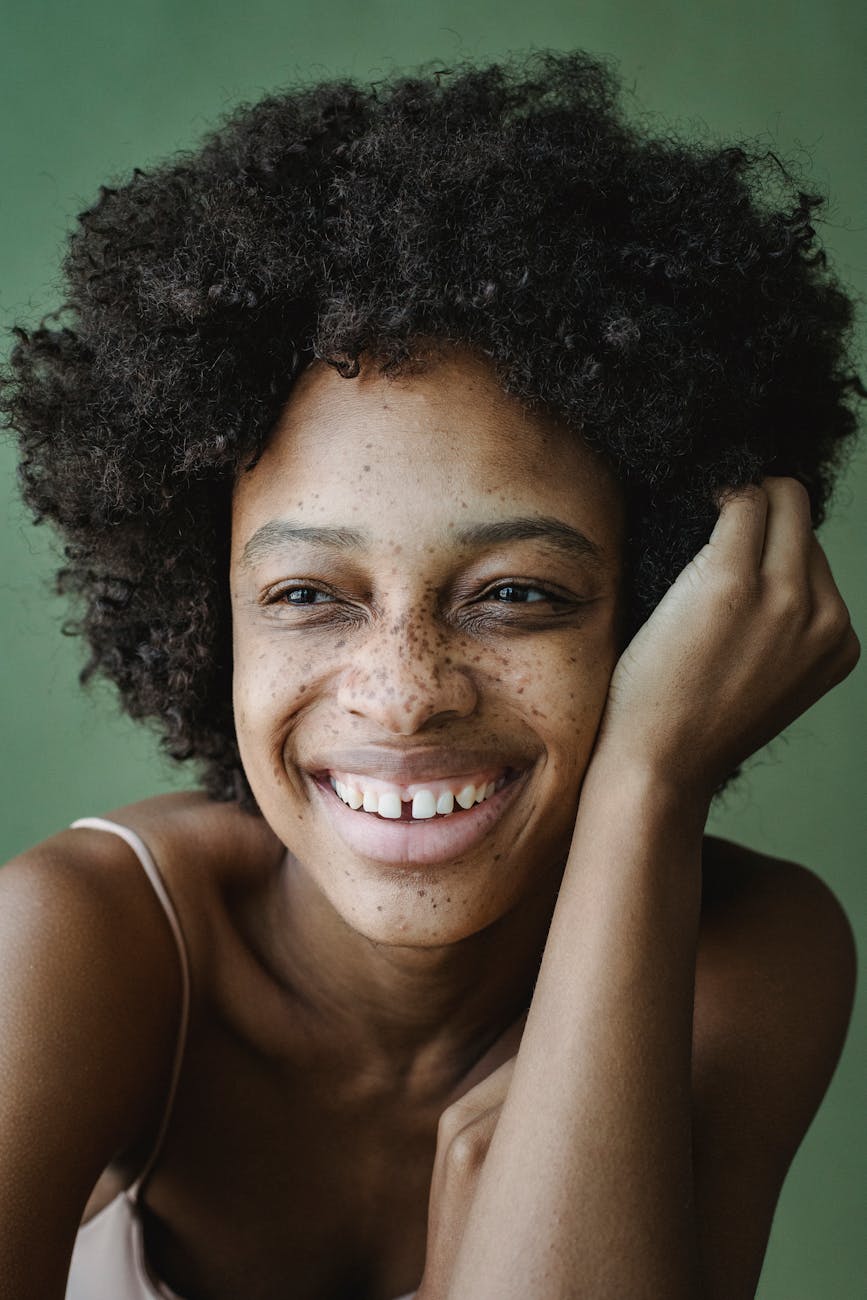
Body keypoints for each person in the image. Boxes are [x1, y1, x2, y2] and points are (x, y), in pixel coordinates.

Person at [0, 51, 861, 1300]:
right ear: (207, 613)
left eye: (517, 594)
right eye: (306, 595)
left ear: (662, 610)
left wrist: (648, 787)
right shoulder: (73, 945)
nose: (404, 693)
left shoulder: (745, 961)